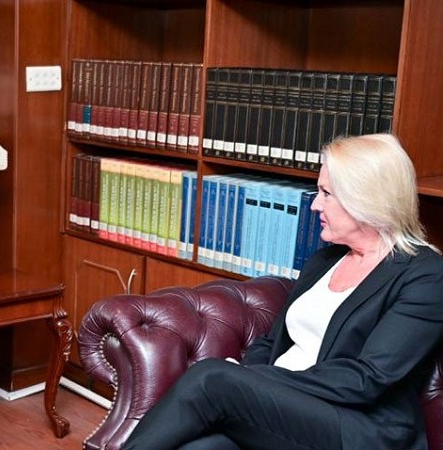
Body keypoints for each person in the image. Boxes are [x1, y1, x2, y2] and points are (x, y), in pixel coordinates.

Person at [122, 133, 443, 450]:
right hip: (285, 410)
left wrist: (254, 381)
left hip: (355, 428)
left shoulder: (425, 274)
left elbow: (367, 379)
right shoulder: (325, 260)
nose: (315, 205)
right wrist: (251, 382)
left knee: (210, 378)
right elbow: (270, 341)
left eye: (326, 193)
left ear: (365, 198)